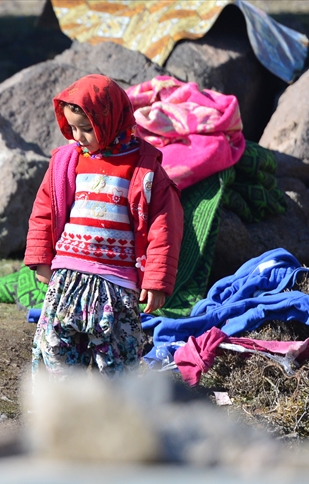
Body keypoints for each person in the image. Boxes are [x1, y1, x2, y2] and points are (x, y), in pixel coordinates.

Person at [24, 74, 183, 375]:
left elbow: (165, 225)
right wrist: (40, 258)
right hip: (68, 276)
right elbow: (44, 208)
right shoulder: (66, 162)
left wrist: (157, 280)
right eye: (72, 127)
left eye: (87, 128)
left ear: (111, 120)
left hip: (117, 283)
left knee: (116, 358)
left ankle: (113, 413)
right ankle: (63, 410)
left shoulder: (144, 167)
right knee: (56, 346)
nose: (78, 136)